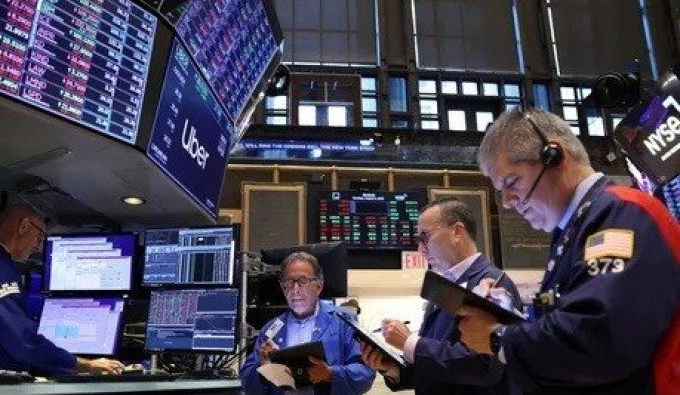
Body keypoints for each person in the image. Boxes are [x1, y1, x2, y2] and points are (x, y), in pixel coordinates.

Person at [457, 109, 680, 394]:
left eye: (511, 183)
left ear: (554, 156)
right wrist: (508, 314)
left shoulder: (621, 213)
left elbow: (597, 339)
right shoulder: (576, 228)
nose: (507, 202)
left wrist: (499, 339)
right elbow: (570, 316)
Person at [360, 198, 522, 394]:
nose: (420, 249)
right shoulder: (443, 286)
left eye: (425, 237)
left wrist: (409, 342)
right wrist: (394, 369)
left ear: (457, 232)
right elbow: (439, 370)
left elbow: (483, 365)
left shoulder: (493, 283)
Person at [0, 204, 124, 375]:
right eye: (39, 236)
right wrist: (85, 365)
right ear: (24, 226)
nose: (38, 246)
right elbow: (21, 338)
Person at [240, 252, 374, 395]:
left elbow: (365, 373)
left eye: (302, 281)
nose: (295, 289)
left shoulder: (343, 320)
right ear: (283, 287)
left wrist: (330, 374)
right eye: (289, 282)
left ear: (319, 285)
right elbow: (247, 383)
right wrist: (262, 368)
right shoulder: (272, 328)